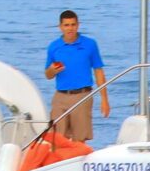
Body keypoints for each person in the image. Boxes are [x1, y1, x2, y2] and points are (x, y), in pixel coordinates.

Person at [41, 9, 110, 143]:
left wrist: (104, 99)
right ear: (60, 27)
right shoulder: (54, 47)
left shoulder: (90, 44)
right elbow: (48, 75)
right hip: (60, 97)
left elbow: (99, 72)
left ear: (78, 25)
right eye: (66, 25)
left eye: (73, 24)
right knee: (57, 139)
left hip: (82, 95)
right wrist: (53, 70)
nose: (70, 28)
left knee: (80, 139)